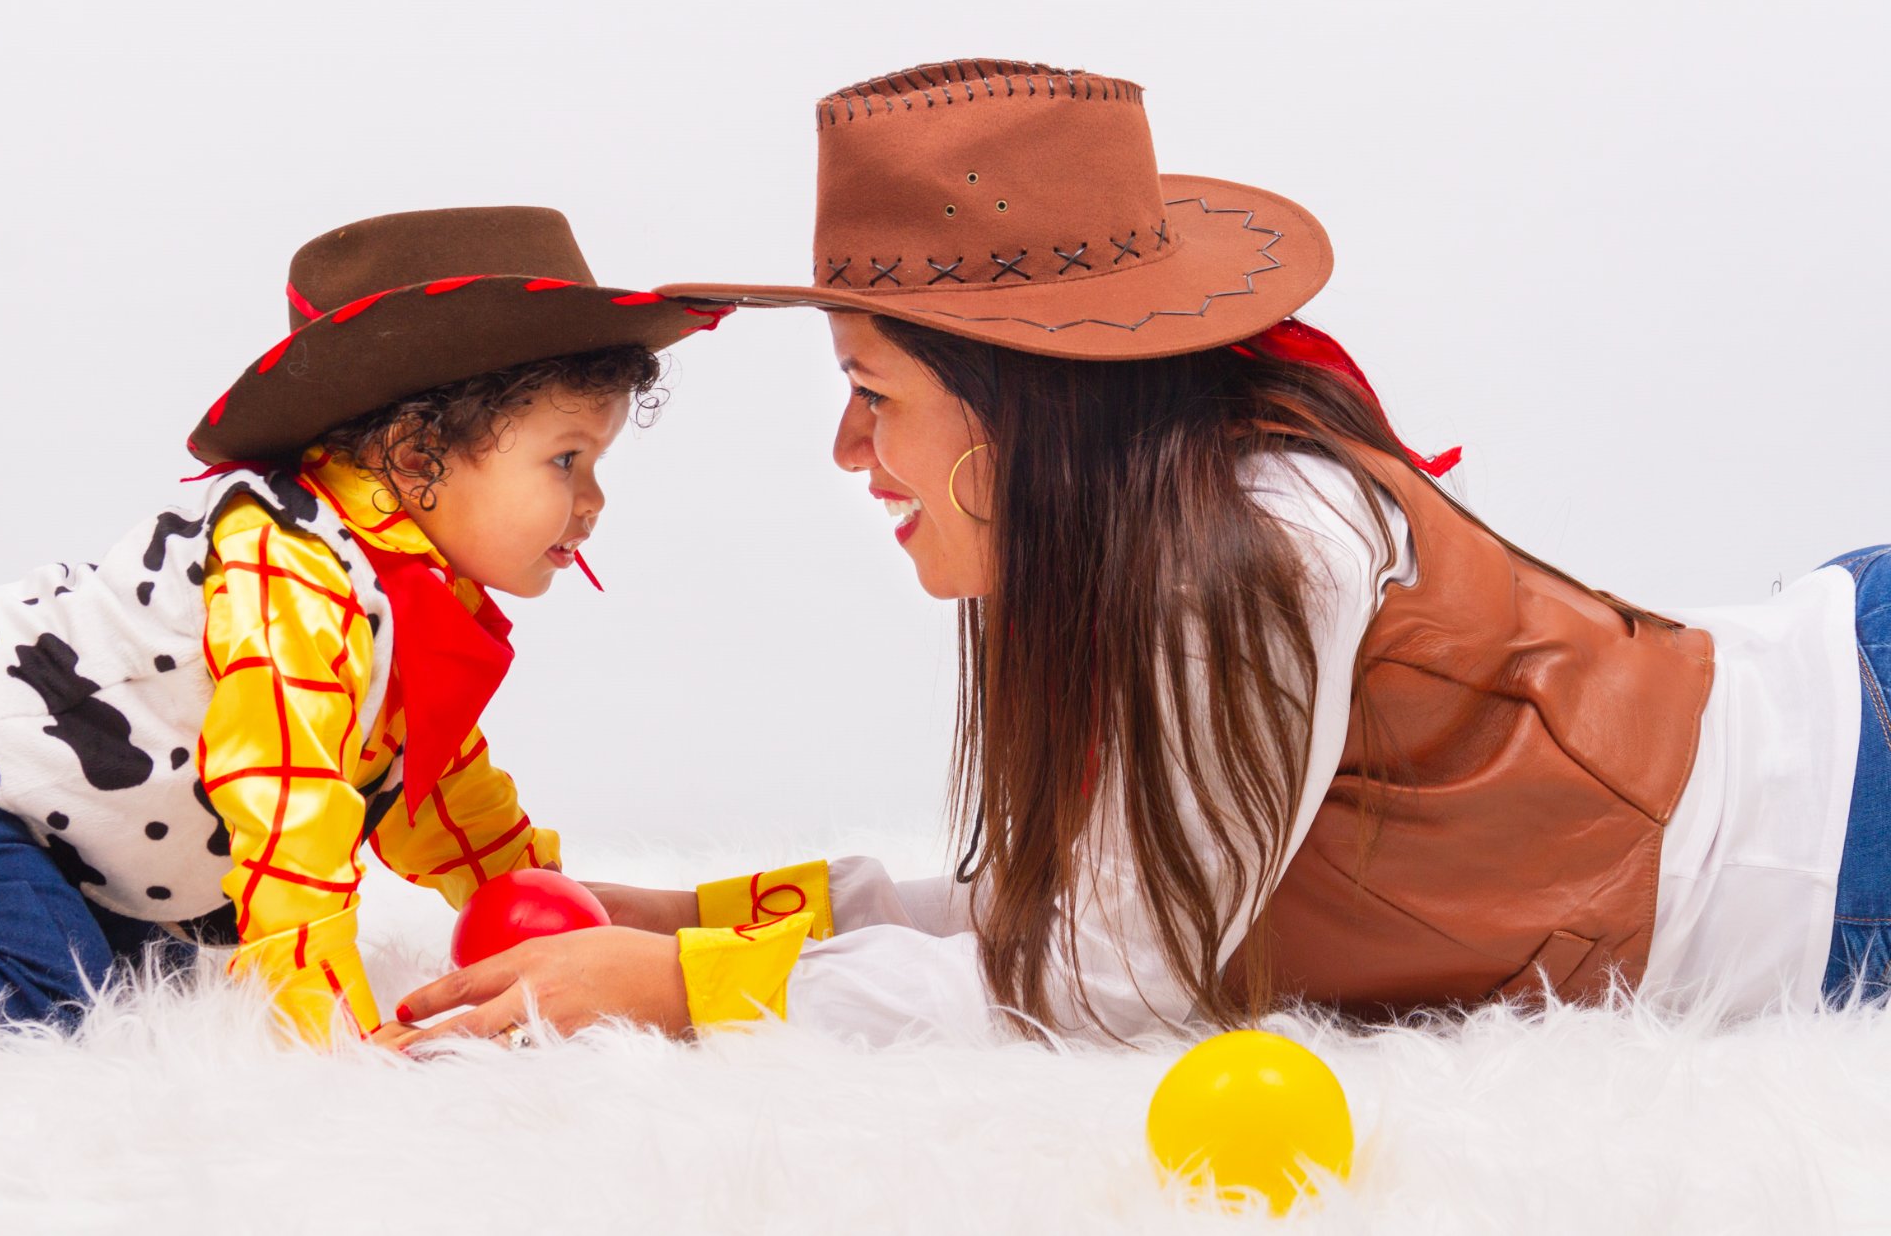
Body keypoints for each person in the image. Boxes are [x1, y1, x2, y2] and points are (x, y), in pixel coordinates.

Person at [385, 61, 1872, 1049]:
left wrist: (674, 992)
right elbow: (1080, 920)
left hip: (1847, 812)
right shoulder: (1164, 541)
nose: (849, 453)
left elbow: (1114, 989)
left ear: (1017, 402)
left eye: (874, 394)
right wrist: (727, 914)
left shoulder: (1246, 551)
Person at [0, 206, 725, 1042]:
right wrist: (329, 1029)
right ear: (419, 458)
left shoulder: (409, 596)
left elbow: (438, 792)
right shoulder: (291, 564)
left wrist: (535, 904)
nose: (593, 501)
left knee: (155, 961)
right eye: (566, 460)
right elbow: (286, 791)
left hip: (16, 809)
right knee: (39, 985)